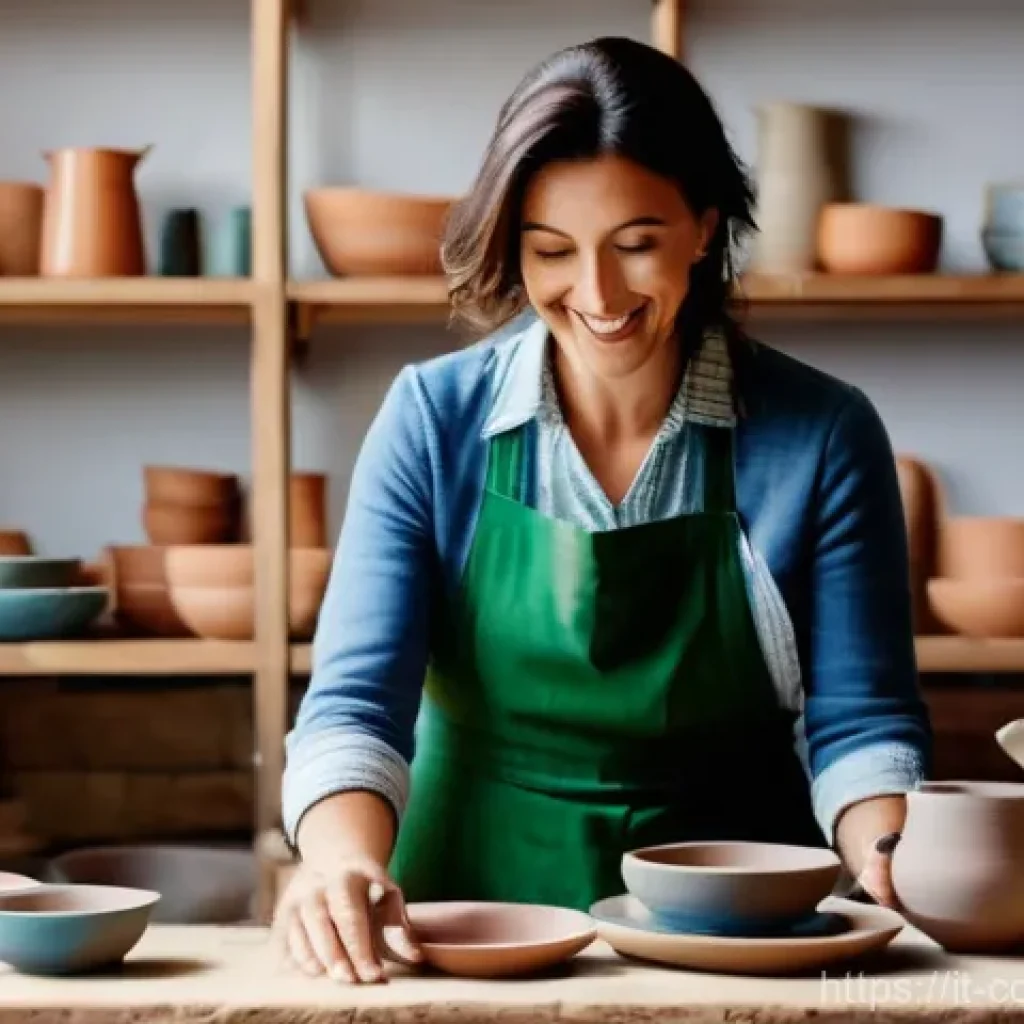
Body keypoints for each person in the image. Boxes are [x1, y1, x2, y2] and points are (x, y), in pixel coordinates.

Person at [274, 36, 933, 985]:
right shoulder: (431, 419)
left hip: (738, 938)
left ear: (704, 228)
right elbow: (352, 708)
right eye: (551, 252)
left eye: (637, 245)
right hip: (468, 929)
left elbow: (862, 724)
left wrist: (890, 852)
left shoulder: (823, 434)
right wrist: (336, 862)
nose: (598, 294)